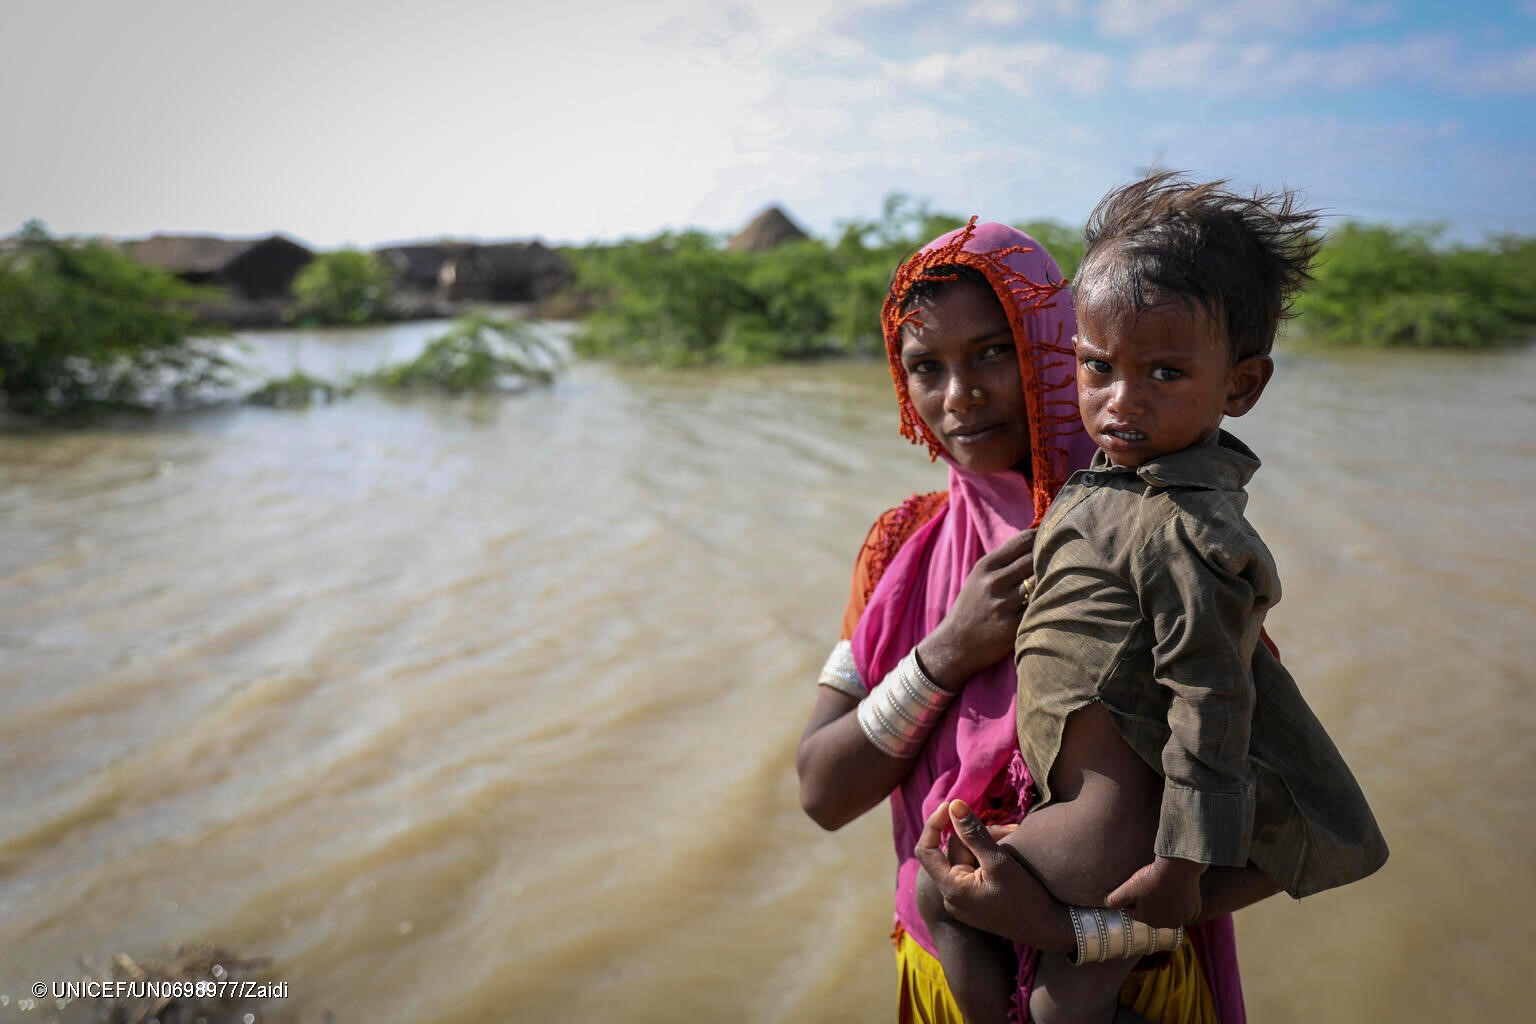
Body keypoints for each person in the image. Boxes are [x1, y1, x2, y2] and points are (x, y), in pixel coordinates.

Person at [915, 175, 1389, 1023]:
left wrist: (1181, 866)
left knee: (953, 907)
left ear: (1241, 387)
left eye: (1165, 372)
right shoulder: (1112, 486)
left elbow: (1214, 700)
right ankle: (1064, 961)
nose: (1120, 402)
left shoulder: (1183, 529)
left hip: (1102, 840)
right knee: (1045, 990)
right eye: (1097, 368)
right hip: (1091, 832)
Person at [797, 219, 1245, 1023]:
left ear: (1055, 347)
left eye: (994, 352)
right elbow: (822, 791)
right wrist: (948, 652)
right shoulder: (902, 546)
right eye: (926, 368)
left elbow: (1258, 802)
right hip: (948, 975)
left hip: (1128, 982)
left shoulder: (1156, 528)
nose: (959, 397)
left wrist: (1059, 929)